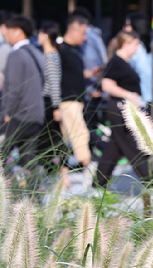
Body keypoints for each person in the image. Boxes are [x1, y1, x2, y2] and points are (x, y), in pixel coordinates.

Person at [96, 31, 153, 189]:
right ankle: (151, 183)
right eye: (135, 44)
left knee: (115, 147)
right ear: (126, 44)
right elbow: (106, 85)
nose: (137, 48)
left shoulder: (124, 62)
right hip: (121, 109)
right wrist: (128, 95)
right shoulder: (116, 62)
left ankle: (98, 183)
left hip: (124, 108)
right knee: (134, 146)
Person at [0, 15, 45, 174]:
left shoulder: (16, 54)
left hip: (19, 115)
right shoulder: (35, 51)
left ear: (18, 32)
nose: (7, 34)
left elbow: (14, 89)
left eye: (9, 31)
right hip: (36, 114)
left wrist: (6, 113)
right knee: (29, 160)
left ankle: (1, 194)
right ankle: (34, 197)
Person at [58, 15, 96, 169]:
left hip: (77, 99)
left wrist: (89, 74)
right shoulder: (59, 50)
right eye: (83, 33)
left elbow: (74, 73)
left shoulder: (76, 50)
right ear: (72, 31)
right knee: (79, 134)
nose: (85, 38)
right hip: (67, 99)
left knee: (64, 138)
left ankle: (63, 175)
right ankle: (88, 167)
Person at [37, 21, 71, 187]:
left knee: (53, 139)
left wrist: (56, 106)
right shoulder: (49, 55)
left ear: (45, 35)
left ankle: (63, 174)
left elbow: (54, 82)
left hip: (49, 102)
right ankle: (59, 174)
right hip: (47, 102)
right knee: (49, 140)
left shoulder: (50, 56)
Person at [71, 7, 108, 152]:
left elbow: (100, 63)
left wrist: (96, 88)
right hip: (90, 89)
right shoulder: (95, 36)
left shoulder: (89, 37)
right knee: (87, 124)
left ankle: (99, 153)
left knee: (87, 126)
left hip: (90, 89)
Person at [124, 13, 152, 107]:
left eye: (127, 25)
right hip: (149, 97)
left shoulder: (137, 48)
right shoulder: (148, 45)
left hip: (140, 99)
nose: (124, 28)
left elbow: (144, 72)